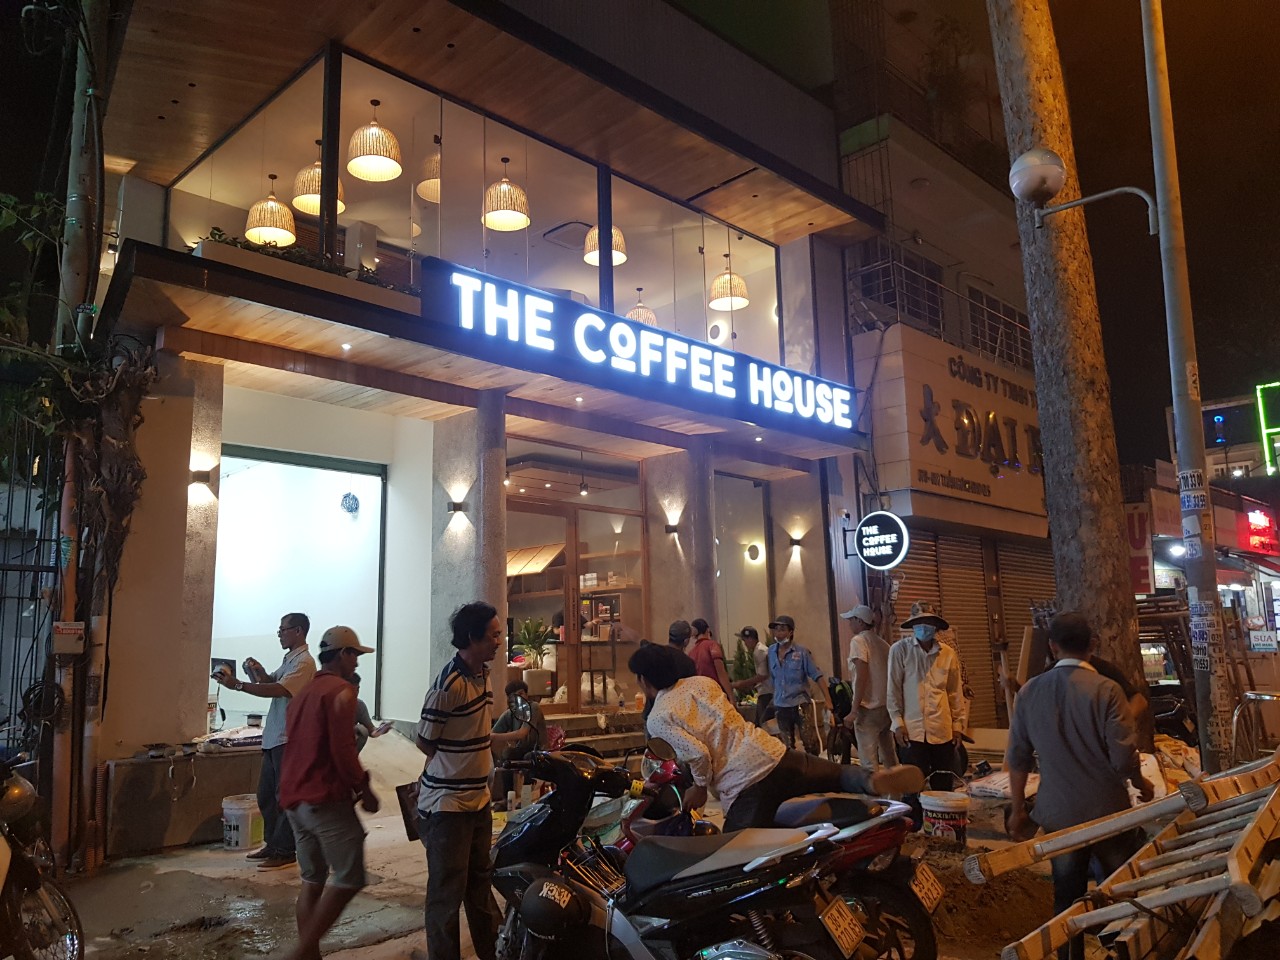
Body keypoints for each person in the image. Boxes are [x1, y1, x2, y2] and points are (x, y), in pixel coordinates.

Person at [631, 644, 923, 831]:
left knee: (733, 859)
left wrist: (699, 788)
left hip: (744, 784)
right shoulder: (702, 683)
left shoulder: (659, 716)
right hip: (774, 754)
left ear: (644, 680)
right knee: (837, 775)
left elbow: (698, 754)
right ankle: (870, 780)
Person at [1005, 612, 1154, 960]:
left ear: (1052, 647)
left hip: (1059, 816)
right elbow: (1123, 758)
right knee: (1119, 891)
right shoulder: (1107, 690)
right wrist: (1140, 783)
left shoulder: (1029, 692)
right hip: (1108, 812)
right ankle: (1120, 952)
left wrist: (1017, 809)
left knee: (1066, 898)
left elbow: (1018, 758)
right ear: (1092, 645)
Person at [416, 602, 533, 960]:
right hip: (447, 806)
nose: (500, 641)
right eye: (494, 635)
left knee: (480, 884)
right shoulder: (448, 685)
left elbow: (477, 733)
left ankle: (493, 952)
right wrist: (454, 765)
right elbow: (424, 741)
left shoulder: (484, 674)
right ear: (472, 637)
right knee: (446, 893)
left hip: (477, 799)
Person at [277, 626, 379, 960]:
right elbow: (343, 749)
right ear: (343, 654)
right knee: (350, 877)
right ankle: (299, 952)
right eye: (355, 655)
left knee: (312, 879)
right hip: (322, 796)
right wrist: (364, 788)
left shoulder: (304, 693)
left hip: (294, 799)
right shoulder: (341, 692)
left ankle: (309, 956)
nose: (357, 663)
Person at [215, 612, 316, 871]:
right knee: (266, 796)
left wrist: (238, 686)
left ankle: (285, 850)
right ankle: (273, 844)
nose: (279, 634)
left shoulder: (304, 662)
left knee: (285, 798)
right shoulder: (290, 660)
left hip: (289, 739)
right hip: (275, 738)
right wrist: (258, 672)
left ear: (298, 631)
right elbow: (272, 683)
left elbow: (280, 689)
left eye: (283, 630)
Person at [886, 601, 964, 791]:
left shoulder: (948, 654)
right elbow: (893, 690)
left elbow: (954, 692)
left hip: (942, 730)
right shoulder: (899, 650)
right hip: (912, 732)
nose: (924, 627)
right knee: (913, 787)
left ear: (936, 626)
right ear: (913, 625)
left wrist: (957, 726)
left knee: (943, 786)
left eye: (928, 622)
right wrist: (898, 723)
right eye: (919, 622)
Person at [840, 605, 897, 772]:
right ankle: (896, 785)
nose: (849, 624)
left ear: (860, 621)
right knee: (889, 754)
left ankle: (872, 789)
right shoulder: (883, 644)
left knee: (868, 760)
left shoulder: (858, 641)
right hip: (886, 707)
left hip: (868, 709)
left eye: (851, 620)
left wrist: (854, 710)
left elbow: (861, 676)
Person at [767, 615, 832, 754]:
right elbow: (772, 677)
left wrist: (828, 699)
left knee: (809, 741)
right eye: (776, 629)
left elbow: (817, 675)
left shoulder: (801, 652)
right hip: (781, 704)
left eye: (782, 629)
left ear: (790, 632)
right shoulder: (771, 651)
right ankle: (793, 767)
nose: (778, 633)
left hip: (800, 703)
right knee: (787, 745)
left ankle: (813, 765)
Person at [490, 680, 546, 808]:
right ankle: (507, 798)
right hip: (522, 749)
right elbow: (492, 734)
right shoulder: (510, 714)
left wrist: (494, 736)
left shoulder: (533, 707)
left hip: (539, 750)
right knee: (507, 754)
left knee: (528, 758)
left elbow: (522, 733)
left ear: (526, 694)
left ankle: (526, 799)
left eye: (521, 694)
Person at [731, 626, 774, 726]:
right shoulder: (759, 650)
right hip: (767, 690)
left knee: (763, 724)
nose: (745, 644)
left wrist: (742, 683)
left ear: (750, 639)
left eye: (745, 640)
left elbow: (763, 675)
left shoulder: (760, 651)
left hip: (767, 692)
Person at [688, 618, 732, 699]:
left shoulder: (691, 652)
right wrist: (731, 696)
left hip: (699, 696)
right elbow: (721, 673)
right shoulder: (712, 645)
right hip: (714, 694)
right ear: (707, 630)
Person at [351, 673, 391, 753]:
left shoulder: (359, 705)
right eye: (351, 690)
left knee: (362, 730)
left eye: (357, 689)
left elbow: (371, 731)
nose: (355, 693)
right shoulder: (330, 704)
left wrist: (380, 730)